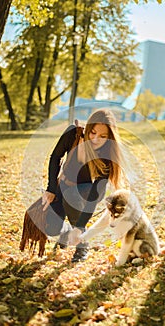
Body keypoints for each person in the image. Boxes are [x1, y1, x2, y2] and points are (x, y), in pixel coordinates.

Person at [42, 109, 123, 262]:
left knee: (72, 195)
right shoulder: (73, 133)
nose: (96, 139)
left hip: (89, 190)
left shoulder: (107, 153)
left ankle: (83, 244)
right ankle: (66, 233)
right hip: (63, 185)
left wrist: (80, 226)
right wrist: (51, 189)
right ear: (88, 128)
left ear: (109, 137)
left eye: (103, 136)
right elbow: (55, 158)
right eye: (93, 133)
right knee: (50, 228)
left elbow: (95, 192)